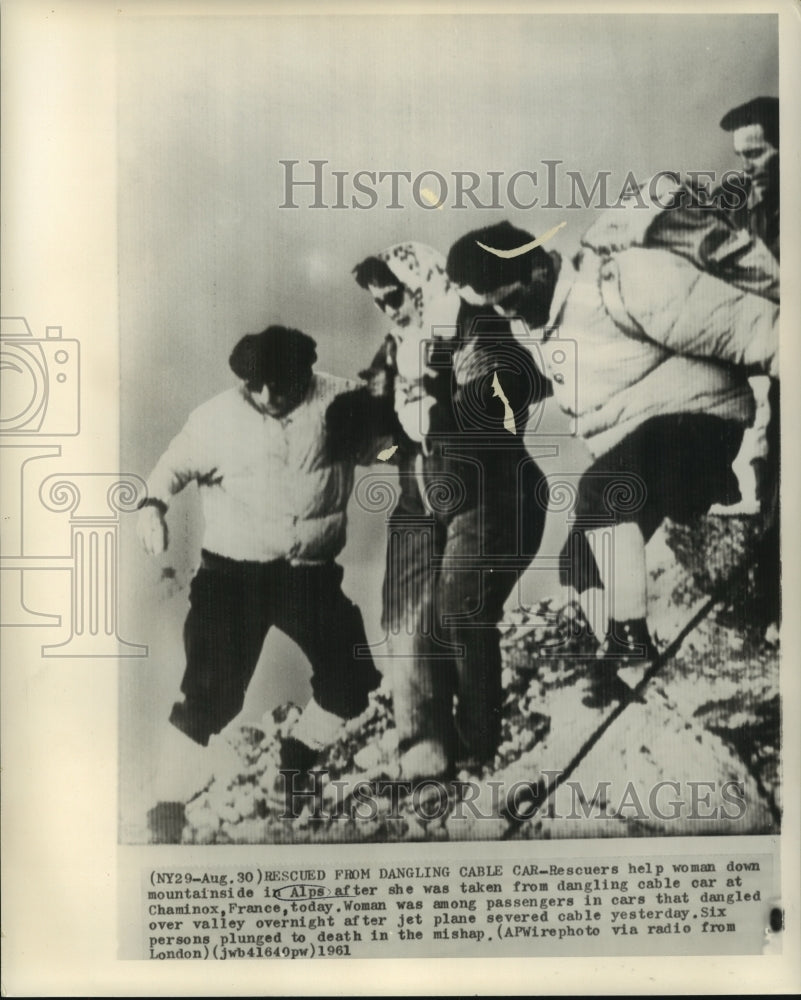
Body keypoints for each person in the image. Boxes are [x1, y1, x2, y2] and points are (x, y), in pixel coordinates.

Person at [445, 216, 778, 706]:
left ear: (538, 266)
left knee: (600, 490)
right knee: (577, 561)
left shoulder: (618, 278)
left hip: (701, 426)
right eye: (495, 308)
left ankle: (628, 638)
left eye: (510, 299)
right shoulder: (538, 327)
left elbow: (746, 326)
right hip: (641, 457)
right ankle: (639, 672)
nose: (509, 314)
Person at [138, 324, 381, 839]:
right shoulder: (216, 419)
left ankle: (298, 753)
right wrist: (152, 507)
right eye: (255, 386)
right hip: (234, 578)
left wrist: (400, 447)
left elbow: (377, 450)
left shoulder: (340, 402)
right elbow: (172, 466)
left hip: (309, 576)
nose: (267, 396)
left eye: (281, 384)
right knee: (211, 694)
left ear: (306, 375)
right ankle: (166, 805)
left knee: (353, 681)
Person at [350, 242, 549, 781]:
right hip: (417, 489)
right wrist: (375, 440)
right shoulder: (392, 351)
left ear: (418, 280)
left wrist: (465, 402)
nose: (389, 308)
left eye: (394, 294)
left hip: (489, 484)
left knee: (460, 608)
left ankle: (479, 747)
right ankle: (424, 747)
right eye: (379, 301)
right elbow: (379, 438)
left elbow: (515, 388)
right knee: (405, 614)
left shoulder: (471, 321)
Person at [718, 96, 781, 636]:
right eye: (740, 157)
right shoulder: (743, 201)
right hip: (770, 358)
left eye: (756, 155)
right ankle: (767, 600)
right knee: (766, 470)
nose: (745, 168)